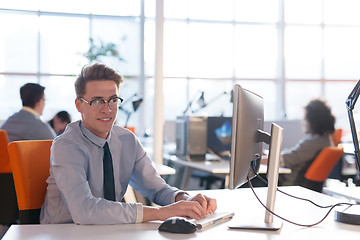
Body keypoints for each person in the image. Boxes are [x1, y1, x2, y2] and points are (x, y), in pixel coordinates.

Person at [40, 63, 217, 225]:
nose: (107, 109)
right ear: (79, 105)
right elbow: (84, 211)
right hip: (64, 233)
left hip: (110, 231)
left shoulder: (127, 140)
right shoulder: (67, 146)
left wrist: (186, 199)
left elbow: (156, 188)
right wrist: (161, 213)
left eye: (113, 100)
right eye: (97, 101)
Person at [278, 99, 336, 186]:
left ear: (313, 121)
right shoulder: (326, 141)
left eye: (305, 118)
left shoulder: (312, 144)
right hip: (303, 186)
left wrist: (260, 158)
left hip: (289, 185)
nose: (302, 122)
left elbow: (280, 160)